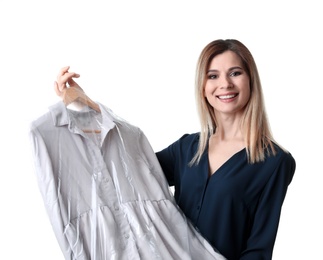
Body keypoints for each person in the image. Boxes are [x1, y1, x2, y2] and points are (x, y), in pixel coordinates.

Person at [54, 39, 296, 260]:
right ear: (203, 87)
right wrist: (83, 106)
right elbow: (126, 166)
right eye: (213, 76)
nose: (225, 84)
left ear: (250, 79)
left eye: (235, 73)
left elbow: (259, 248)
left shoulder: (275, 162)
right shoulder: (187, 148)